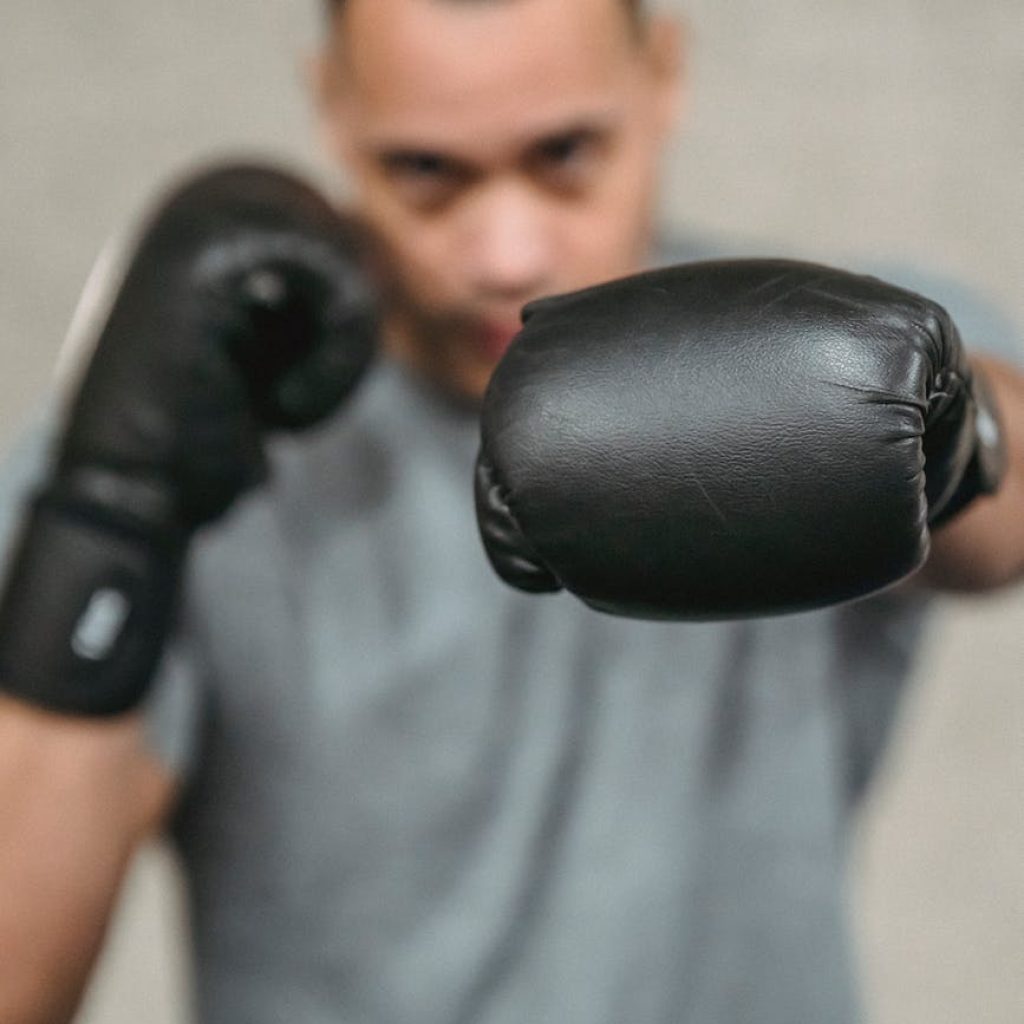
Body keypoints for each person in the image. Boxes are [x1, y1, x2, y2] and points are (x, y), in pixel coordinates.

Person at [0, 2, 1022, 1023]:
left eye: (565, 153)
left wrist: (946, 432)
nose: (505, 253)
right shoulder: (194, 422)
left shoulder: (822, 345)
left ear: (662, 75)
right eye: (427, 172)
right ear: (330, 107)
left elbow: (1009, 520)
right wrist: (112, 510)